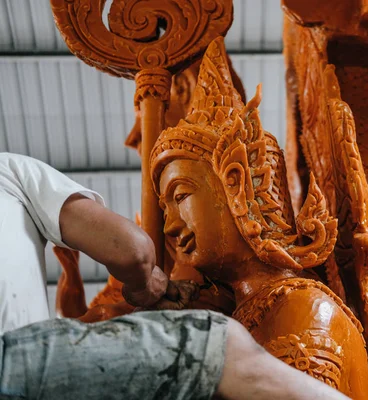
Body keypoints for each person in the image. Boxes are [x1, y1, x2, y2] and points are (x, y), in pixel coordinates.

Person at [0, 152, 349, 399]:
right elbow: (132, 251)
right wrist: (148, 284)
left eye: (180, 196)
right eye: (164, 206)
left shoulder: (300, 301)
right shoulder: (10, 171)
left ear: (235, 187)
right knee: (217, 343)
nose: (169, 225)